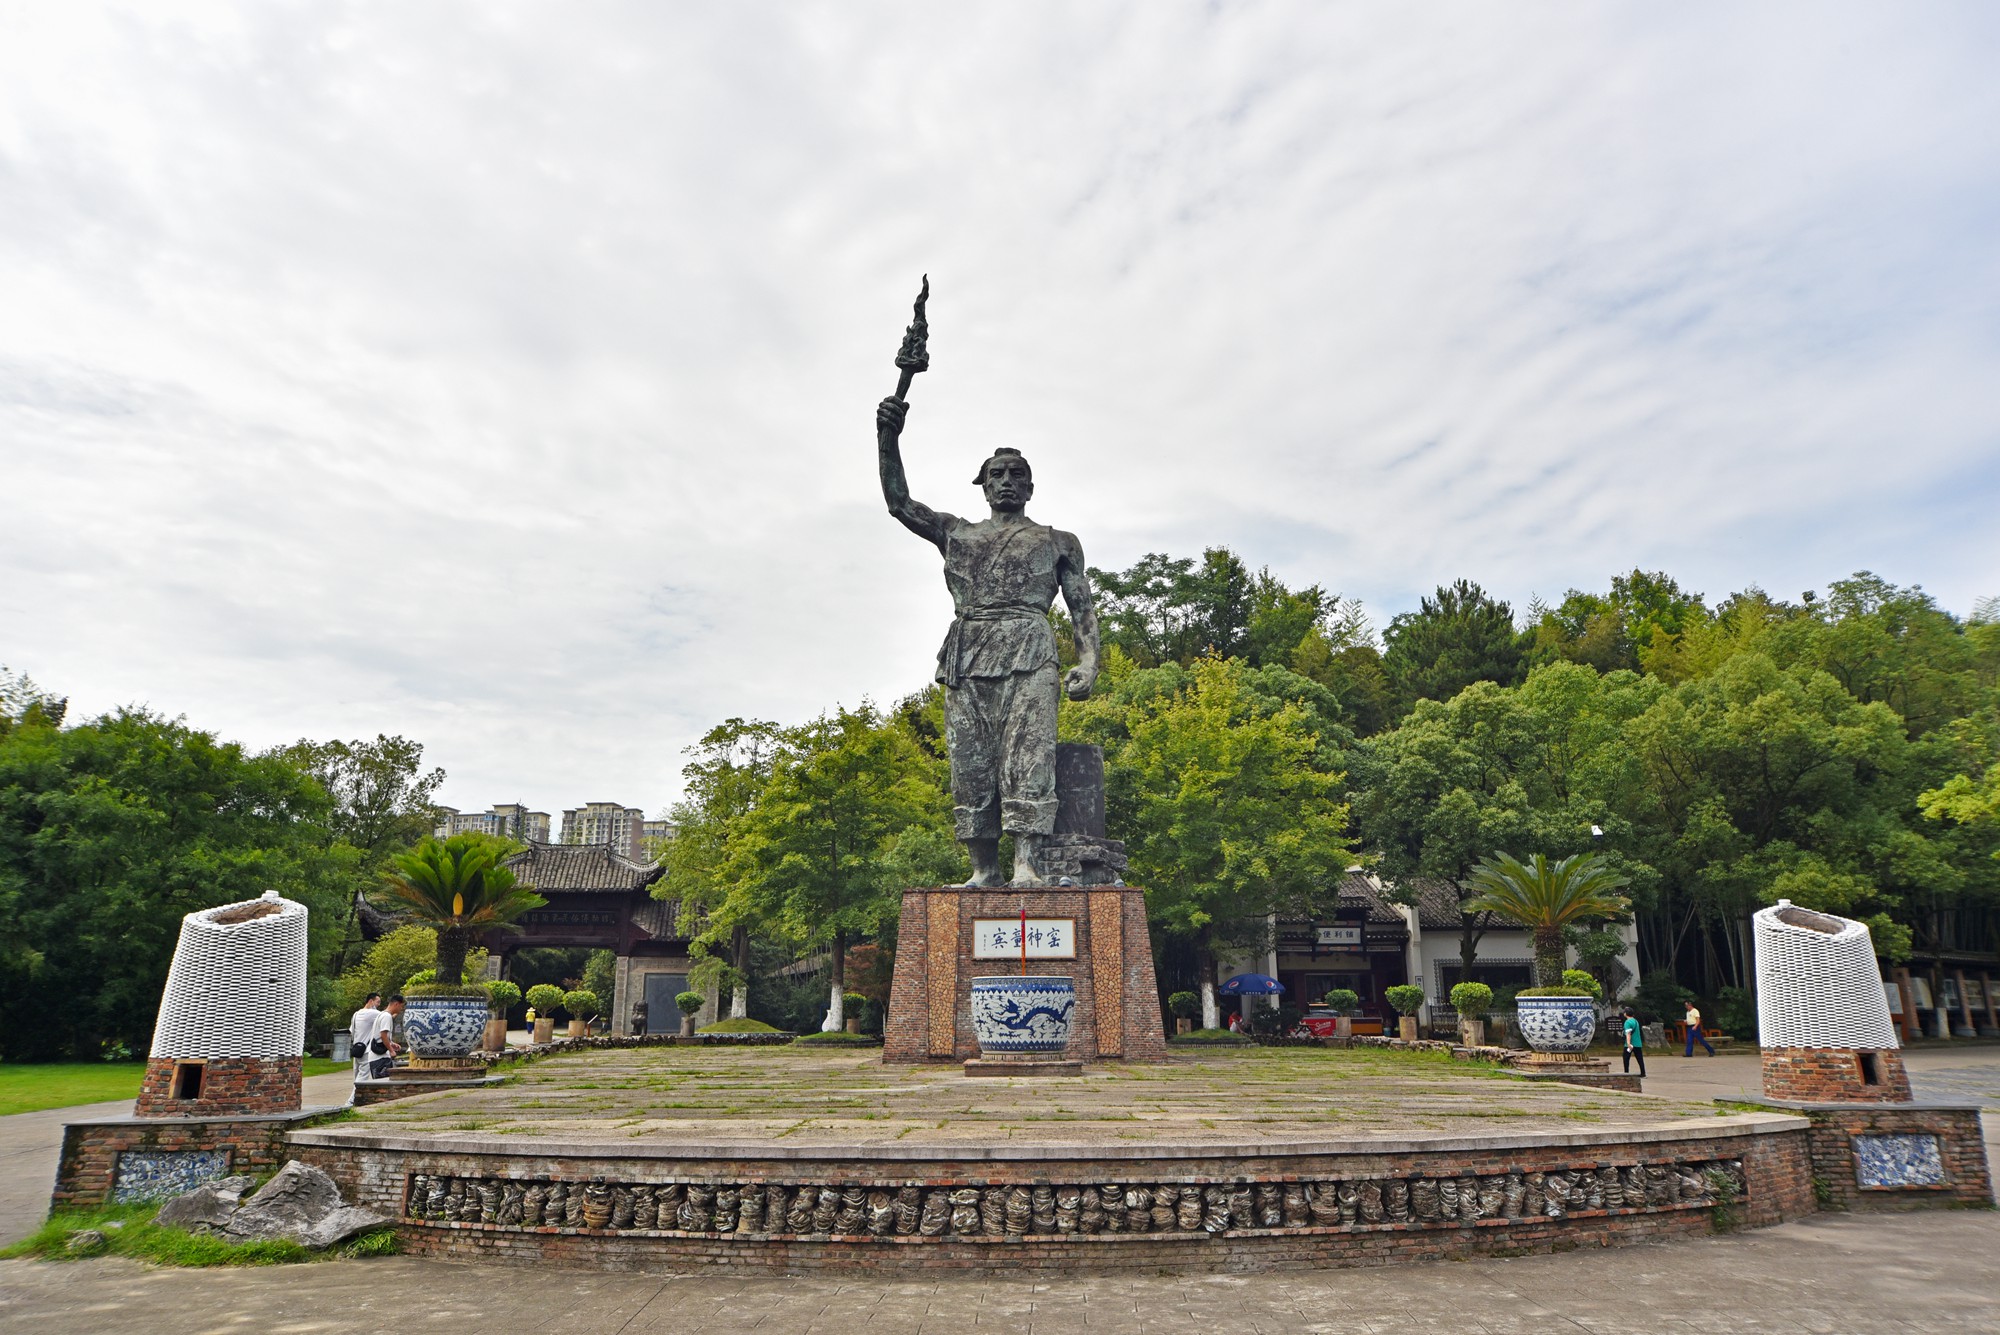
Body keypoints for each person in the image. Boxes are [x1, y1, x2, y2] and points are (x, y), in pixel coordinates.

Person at [877, 396, 1102, 887]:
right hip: (969, 650)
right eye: (996, 474)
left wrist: (1089, 659)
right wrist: (888, 438)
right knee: (970, 763)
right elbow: (900, 504)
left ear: (1030, 486)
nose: (1006, 481)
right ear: (983, 486)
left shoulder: (1058, 540)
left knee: (1030, 756)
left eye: (1015, 474)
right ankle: (983, 867)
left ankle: (1027, 862)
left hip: (1030, 648)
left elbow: (1081, 605)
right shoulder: (957, 532)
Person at [346, 993, 381, 1083]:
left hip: (356, 1049)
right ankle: (354, 1097)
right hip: (365, 1050)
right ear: (371, 1001)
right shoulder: (373, 1013)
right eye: (378, 1002)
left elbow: (352, 1031)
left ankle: (356, 1096)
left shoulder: (356, 1014)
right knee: (362, 1078)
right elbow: (386, 1016)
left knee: (357, 1076)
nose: (378, 1005)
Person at [1621, 1007, 1646, 1078]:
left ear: (1626, 1014)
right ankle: (1643, 1073)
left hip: (1630, 1044)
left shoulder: (1627, 1022)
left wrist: (1628, 1043)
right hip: (1638, 1043)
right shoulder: (1635, 1021)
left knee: (1626, 1058)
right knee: (1640, 1058)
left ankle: (1626, 1073)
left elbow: (1628, 1033)